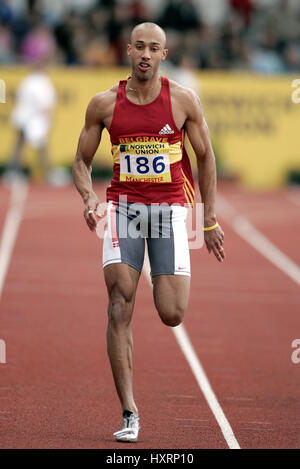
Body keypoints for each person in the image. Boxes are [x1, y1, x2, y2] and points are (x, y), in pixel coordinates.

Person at [73, 22, 225, 443]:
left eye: (153, 48)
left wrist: (208, 220)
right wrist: (89, 199)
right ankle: (128, 412)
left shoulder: (182, 100)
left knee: (172, 313)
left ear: (164, 55)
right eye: (138, 46)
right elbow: (81, 161)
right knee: (119, 304)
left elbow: (206, 157)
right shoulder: (104, 105)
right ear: (127, 50)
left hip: (171, 211)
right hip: (122, 209)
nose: (145, 53)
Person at [5, 60, 56, 180]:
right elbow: (44, 102)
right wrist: (47, 116)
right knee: (38, 146)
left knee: (20, 145)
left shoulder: (28, 80)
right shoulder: (40, 82)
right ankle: (48, 171)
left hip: (25, 117)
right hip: (32, 118)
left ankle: (13, 171)